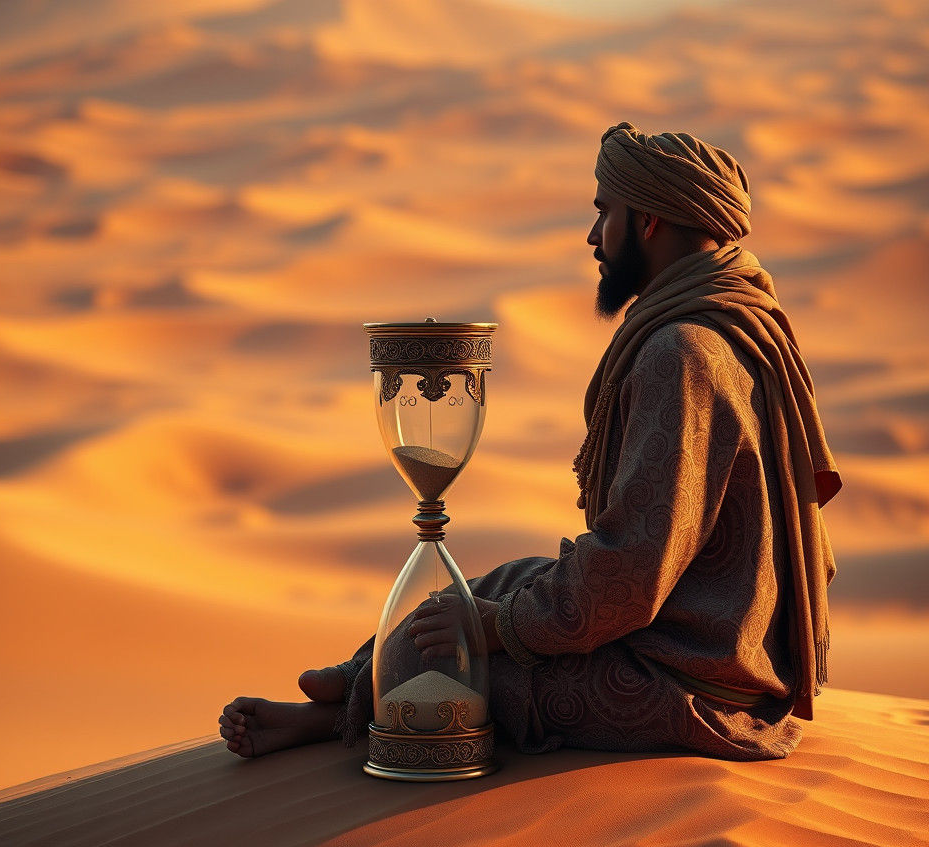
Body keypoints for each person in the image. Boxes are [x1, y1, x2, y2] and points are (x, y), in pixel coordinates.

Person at [219, 121, 841, 762]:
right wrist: (499, 613)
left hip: (695, 687)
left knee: (458, 658)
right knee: (492, 586)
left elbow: (632, 569)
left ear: (649, 222)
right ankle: (355, 681)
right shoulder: (733, 322)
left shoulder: (681, 352)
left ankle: (331, 717)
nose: (594, 236)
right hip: (703, 644)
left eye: (605, 213)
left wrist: (500, 628)